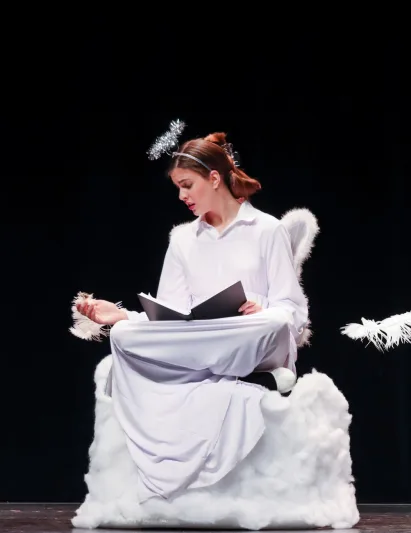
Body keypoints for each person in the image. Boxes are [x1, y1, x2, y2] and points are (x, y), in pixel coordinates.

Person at [75, 129, 309, 502]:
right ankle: (197, 371)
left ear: (214, 178)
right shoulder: (182, 239)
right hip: (197, 340)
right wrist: (121, 316)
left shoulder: (267, 229)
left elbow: (292, 311)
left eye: (187, 185)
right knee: (122, 336)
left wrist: (263, 308)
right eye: (178, 188)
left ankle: (208, 364)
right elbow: (169, 318)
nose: (182, 196)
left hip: (251, 338)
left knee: (274, 322)